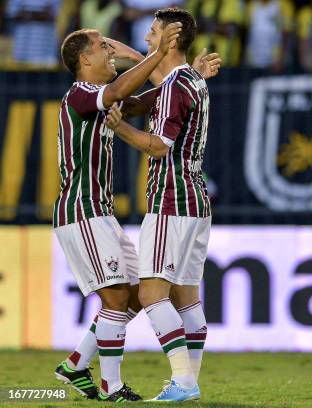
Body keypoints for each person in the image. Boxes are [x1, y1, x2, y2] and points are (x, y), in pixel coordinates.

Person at [54, 30, 221, 403]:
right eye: (102, 47)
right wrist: (158, 54)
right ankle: (110, 387)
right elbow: (118, 93)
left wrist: (186, 75)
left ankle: (76, 365)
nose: (110, 51)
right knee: (116, 299)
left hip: (100, 212)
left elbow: (149, 99)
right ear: (84, 60)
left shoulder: (102, 100)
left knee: (132, 298)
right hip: (81, 211)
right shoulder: (81, 94)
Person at [105, 7, 212, 402]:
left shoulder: (175, 87)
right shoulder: (191, 81)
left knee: (151, 294)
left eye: (152, 33)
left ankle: (184, 381)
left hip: (171, 201)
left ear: (171, 38)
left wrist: (119, 129)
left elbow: (158, 146)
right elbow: (147, 98)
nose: (146, 38)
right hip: (195, 201)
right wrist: (137, 60)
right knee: (186, 297)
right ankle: (188, 385)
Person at [245, 0, 294, 72]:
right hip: (253, 61)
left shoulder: (284, 5)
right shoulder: (251, 6)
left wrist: (281, 58)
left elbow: (286, 35)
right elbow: (248, 34)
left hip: (275, 62)